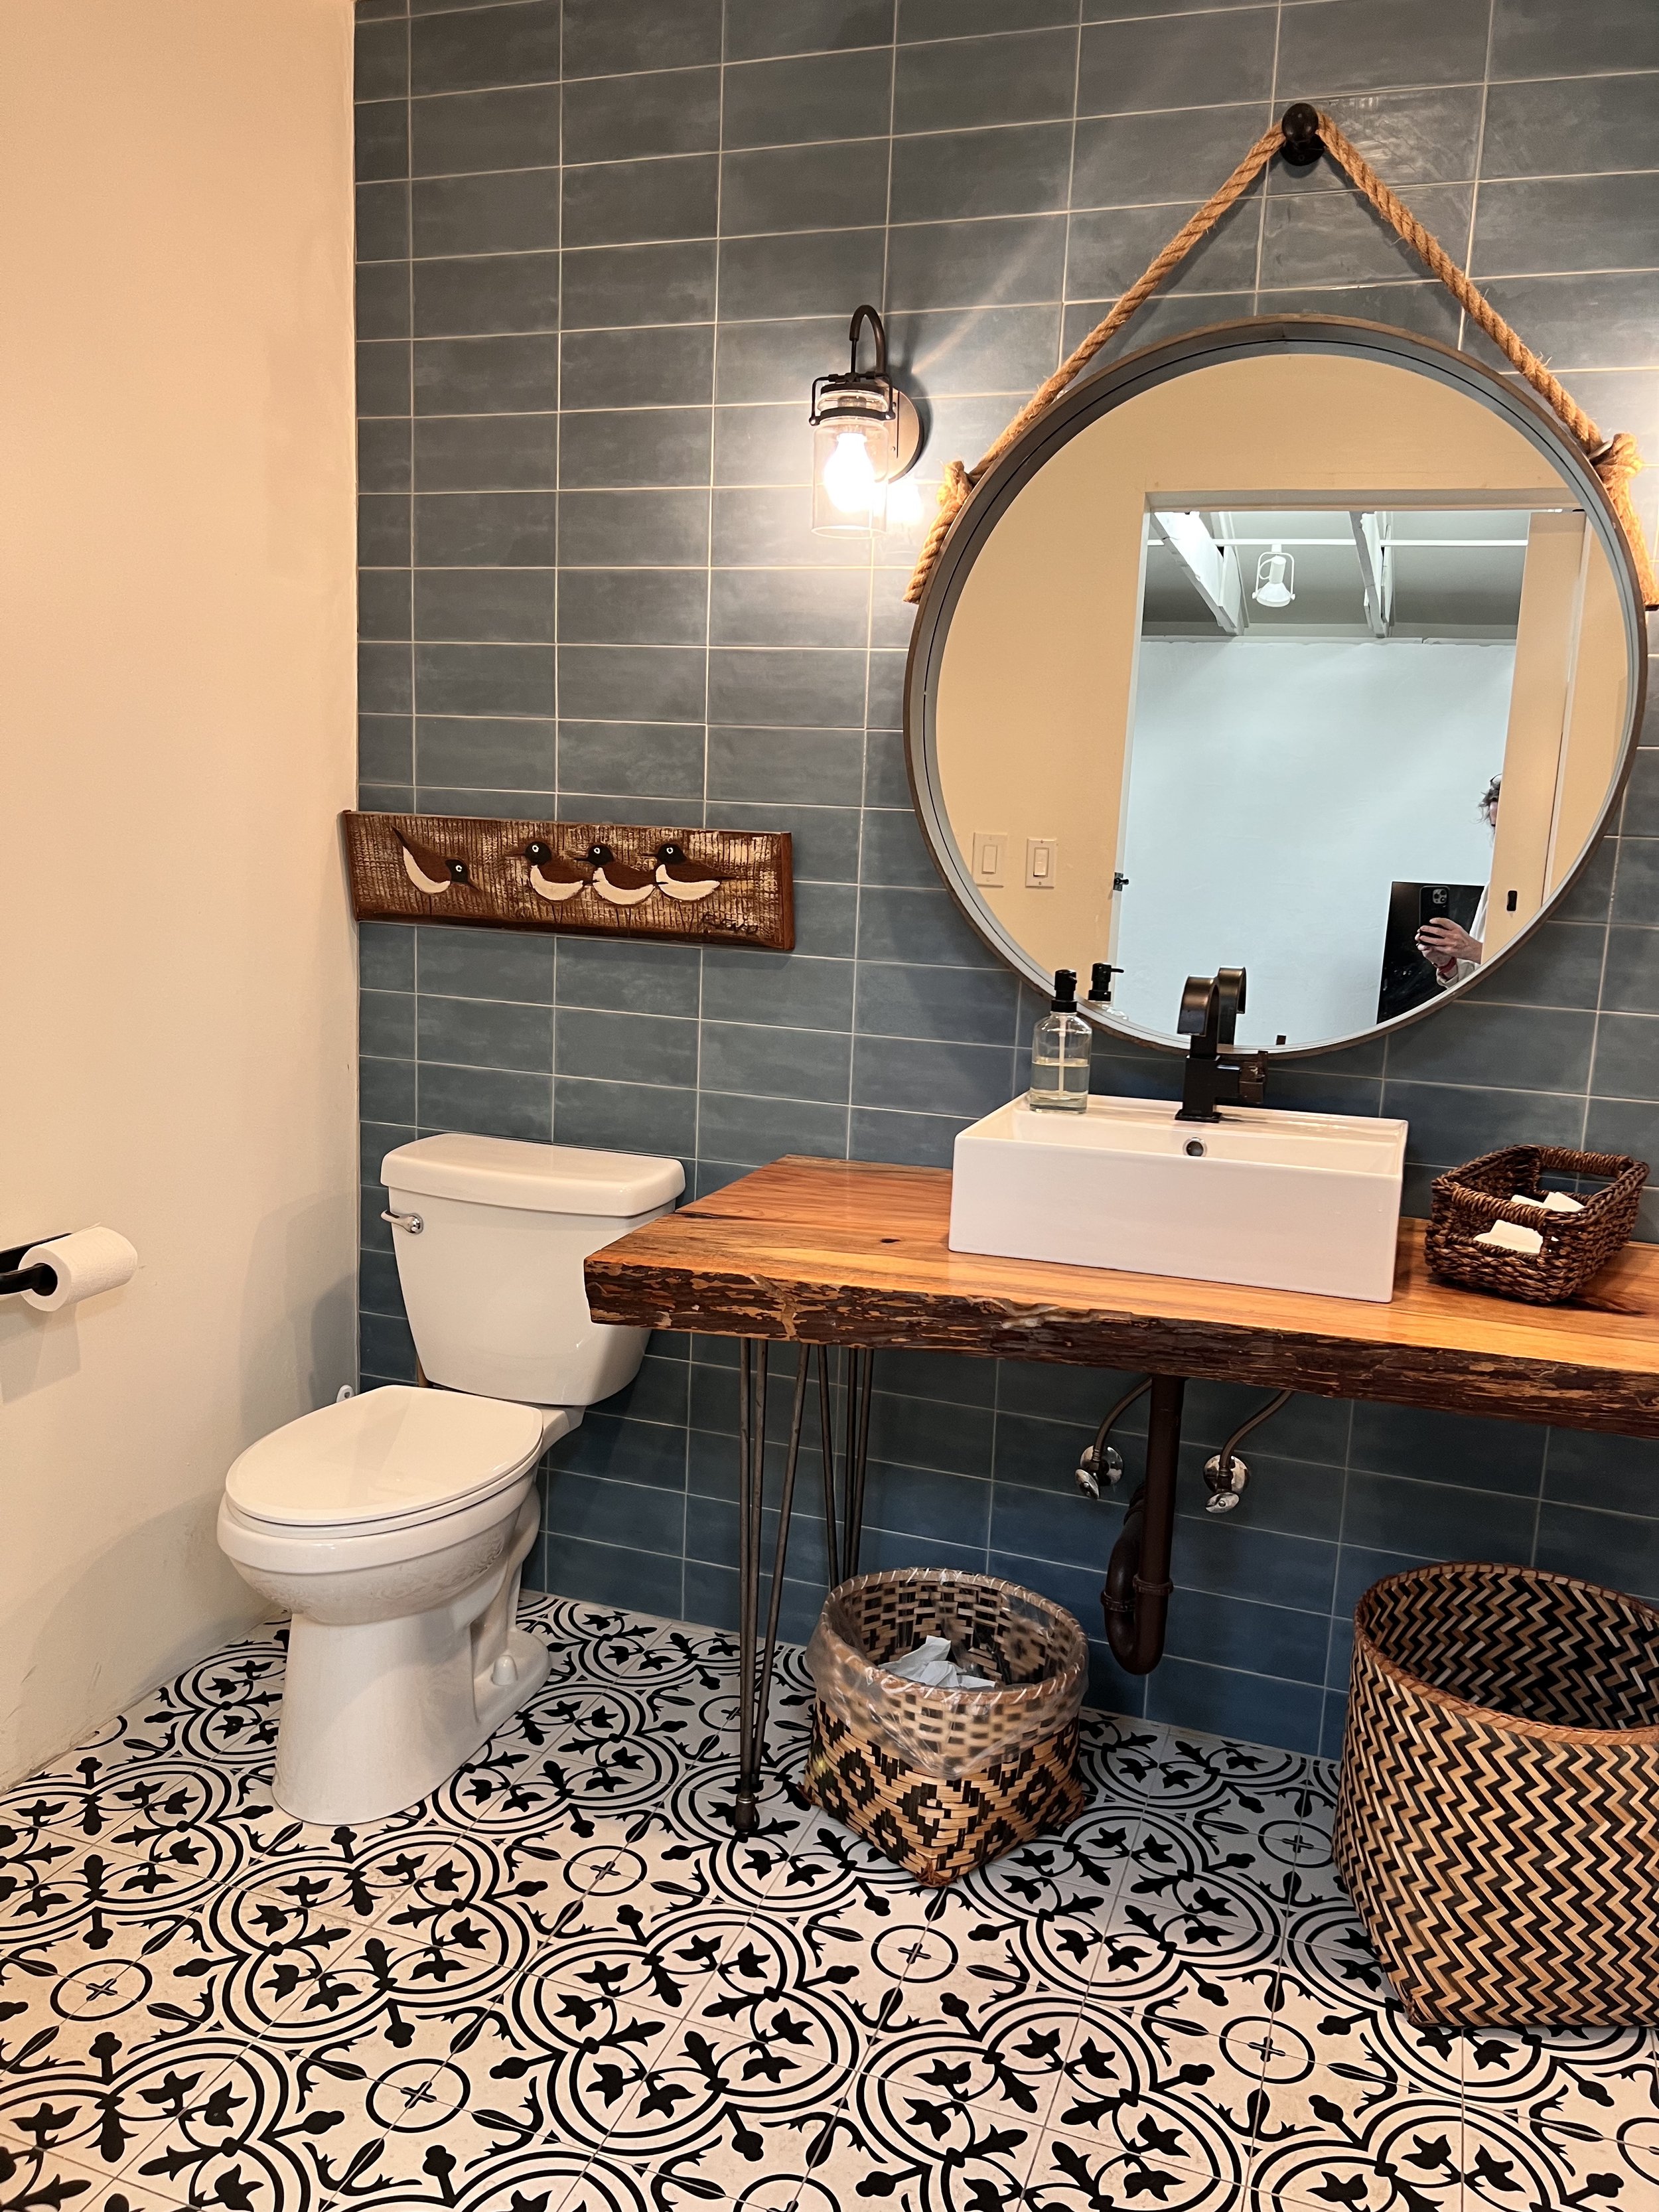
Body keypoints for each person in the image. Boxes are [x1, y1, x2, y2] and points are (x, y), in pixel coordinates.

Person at [1418, 775, 1500, 989]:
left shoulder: (1557, 887)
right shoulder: (1495, 886)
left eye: (1509, 827)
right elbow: (1475, 977)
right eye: (1495, 828)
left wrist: (1473, 950)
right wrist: (1447, 962)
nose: (1500, 838)